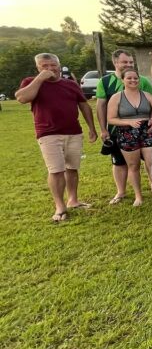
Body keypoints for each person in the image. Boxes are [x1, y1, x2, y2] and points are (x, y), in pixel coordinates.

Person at [16, 52, 97, 222]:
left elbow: (84, 106)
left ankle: (73, 200)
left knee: (72, 168)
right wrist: (40, 79)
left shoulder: (70, 84)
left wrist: (91, 128)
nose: (50, 69)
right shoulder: (31, 82)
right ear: (38, 68)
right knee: (56, 170)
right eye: (44, 66)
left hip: (73, 131)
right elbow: (22, 98)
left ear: (59, 66)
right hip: (48, 133)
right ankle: (60, 206)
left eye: (53, 65)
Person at [96, 49, 152, 205]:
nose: (128, 65)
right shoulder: (105, 81)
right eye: (125, 62)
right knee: (119, 162)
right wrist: (103, 129)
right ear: (115, 63)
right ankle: (121, 191)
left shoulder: (142, 80)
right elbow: (101, 106)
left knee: (150, 160)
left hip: (145, 130)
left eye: (131, 62)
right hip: (118, 130)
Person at [106, 68, 152, 206]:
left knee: (151, 163)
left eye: (136, 78)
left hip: (147, 131)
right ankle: (138, 195)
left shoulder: (146, 95)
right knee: (133, 166)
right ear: (123, 80)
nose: (133, 80)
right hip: (127, 133)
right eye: (129, 78)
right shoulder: (117, 97)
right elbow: (110, 119)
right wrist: (128, 122)